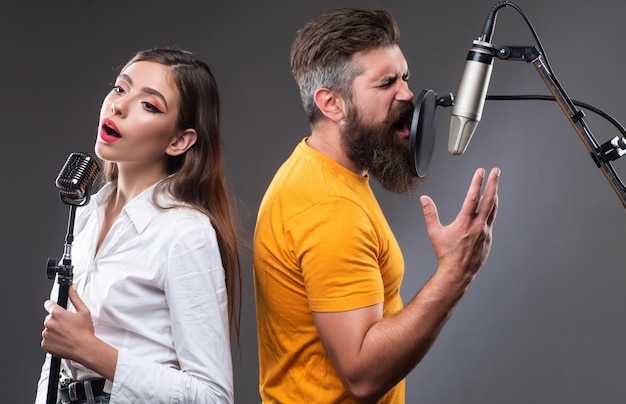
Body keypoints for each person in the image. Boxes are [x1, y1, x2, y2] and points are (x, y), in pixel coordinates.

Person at [253, 7, 500, 403]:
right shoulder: (329, 208)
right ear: (332, 104)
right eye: (386, 83)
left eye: (405, 77)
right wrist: (457, 272)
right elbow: (363, 375)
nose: (407, 94)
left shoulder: (323, 171)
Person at [36, 48, 241, 404]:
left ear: (179, 141)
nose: (119, 106)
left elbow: (213, 396)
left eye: (149, 105)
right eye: (119, 89)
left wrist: (91, 350)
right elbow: (57, 356)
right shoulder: (87, 214)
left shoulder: (185, 233)